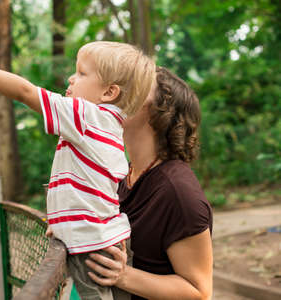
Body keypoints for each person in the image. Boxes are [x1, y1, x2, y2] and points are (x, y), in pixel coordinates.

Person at [0, 41, 156, 299]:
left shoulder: (86, 116)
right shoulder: (110, 126)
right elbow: (91, 190)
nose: (71, 79)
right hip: (107, 240)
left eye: (82, 73)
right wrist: (65, 223)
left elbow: (24, 91)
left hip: (92, 247)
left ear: (109, 92)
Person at [83, 66, 213, 300]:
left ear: (159, 112)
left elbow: (199, 291)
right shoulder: (124, 174)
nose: (119, 89)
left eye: (137, 85)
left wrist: (124, 277)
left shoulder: (178, 193)